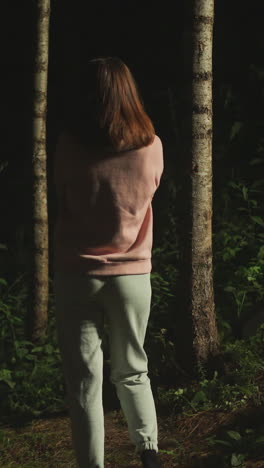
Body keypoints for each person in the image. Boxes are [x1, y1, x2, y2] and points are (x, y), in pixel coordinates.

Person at [53, 56, 164, 468]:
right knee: (134, 369)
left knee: (84, 382)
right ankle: (149, 455)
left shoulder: (68, 143)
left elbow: (63, 193)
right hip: (133, 274)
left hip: (77, 273)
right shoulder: (152, 146)